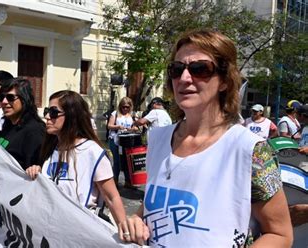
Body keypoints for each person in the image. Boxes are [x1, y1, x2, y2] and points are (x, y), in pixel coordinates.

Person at [120, 29, 292, 247]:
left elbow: (280, 234)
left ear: (225, 81)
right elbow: (158, 205)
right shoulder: (157, 138)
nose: (184, 78)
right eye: (176, 69)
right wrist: (136, 220)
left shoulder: (250, 150)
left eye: (199, 69)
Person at [25, 90, 127, 229]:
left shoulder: (92, 152)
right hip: (50, 227)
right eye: (47, 111)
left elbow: (111, 197)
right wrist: (36, 172)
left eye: (54, 112)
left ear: (72, 116)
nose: (48, 117)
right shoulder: (50, 149)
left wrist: (125, 231)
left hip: (81, 231)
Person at [0, 78, 45, 170]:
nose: (4, 102)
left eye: (10, 97)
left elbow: (31, 172)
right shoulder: (8, 125)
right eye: (1, 97)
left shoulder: (35, 131)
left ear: (25, 99)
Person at [106, 97, 139, 188]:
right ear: (120, 106)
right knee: (117, 161)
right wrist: (118, 127)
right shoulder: (115, 114)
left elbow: (136, 127)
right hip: (115, 139)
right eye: (123, 107)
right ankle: (115, 180)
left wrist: (133, 129)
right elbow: (109, 125)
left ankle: (128, 181)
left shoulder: (132, 115)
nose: (125, 109)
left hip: (127, 140)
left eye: (127, 107)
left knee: (127, 161)